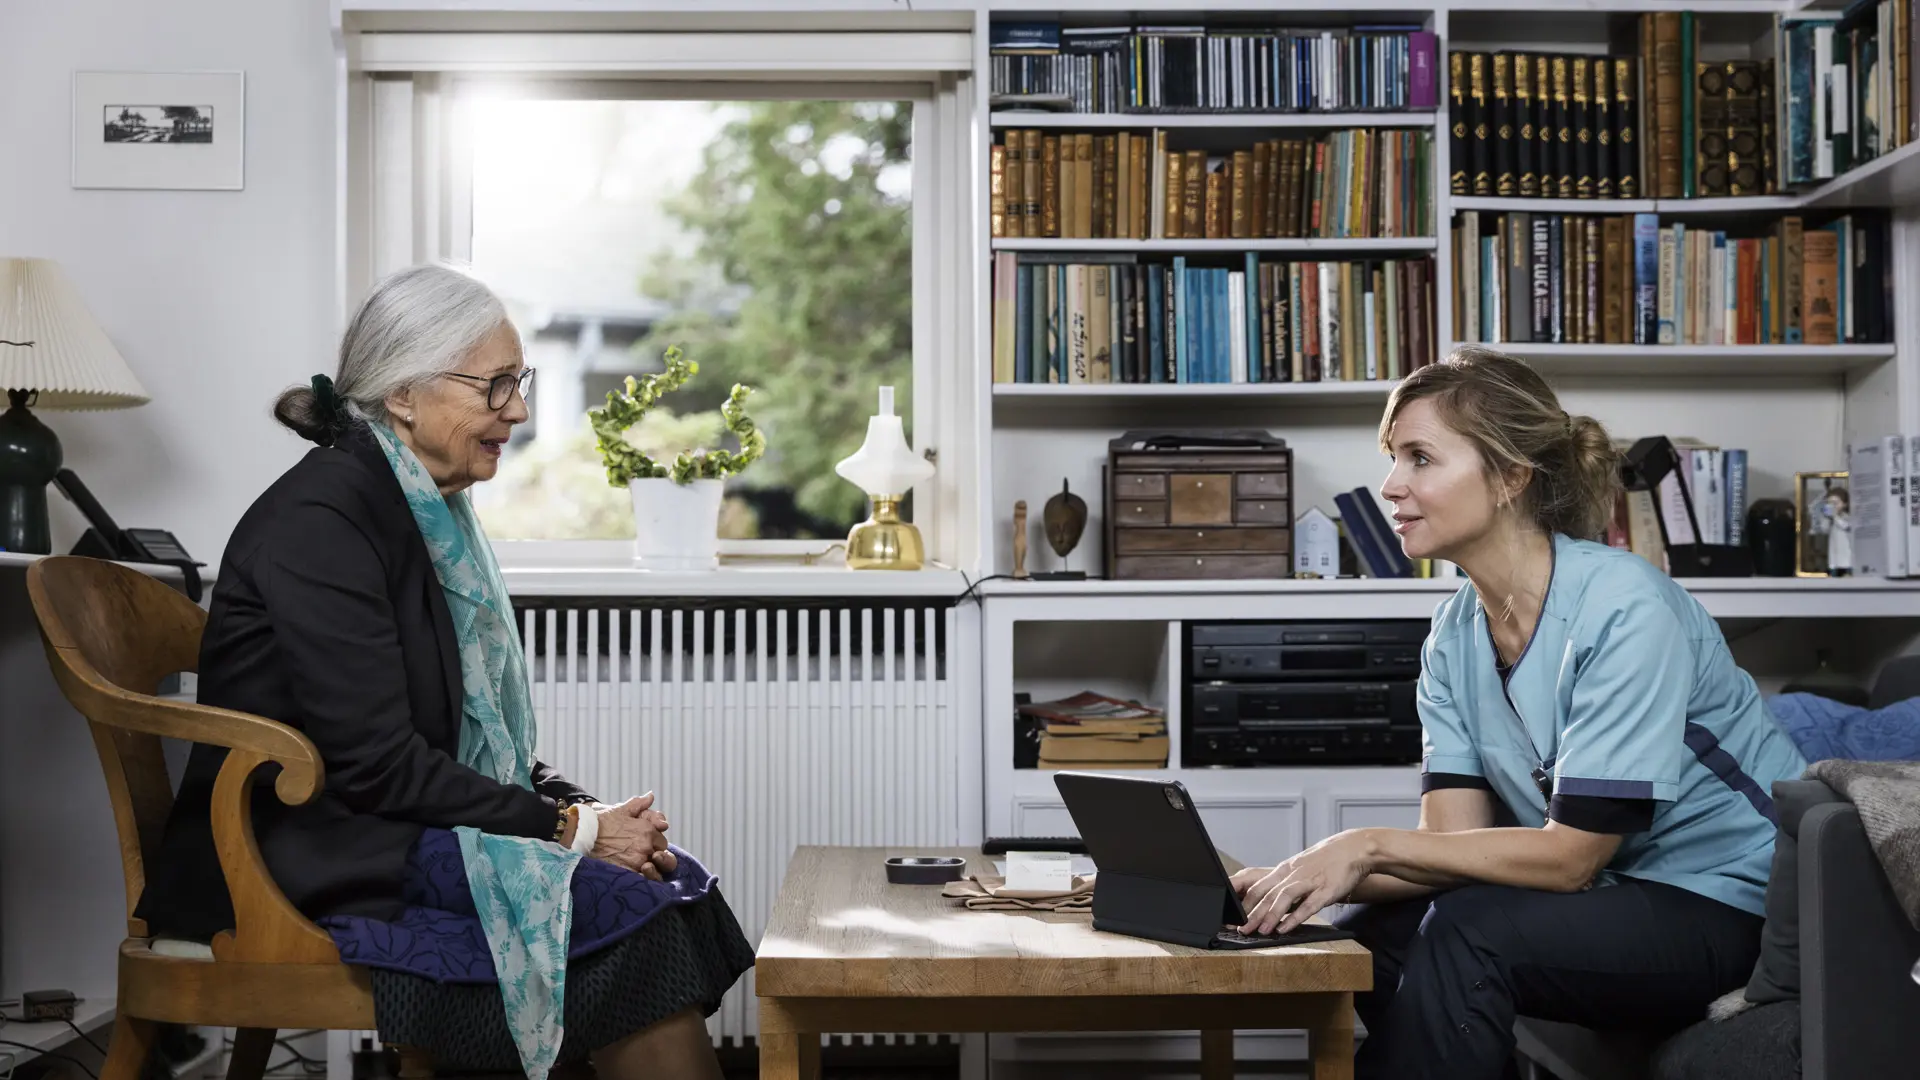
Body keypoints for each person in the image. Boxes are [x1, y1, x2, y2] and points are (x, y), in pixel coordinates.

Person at [135, 265, 752, 1080]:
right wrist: (577, 834)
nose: (519, 411)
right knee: (622, 910)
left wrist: (578, 807)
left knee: (672, 879)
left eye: (519, 382)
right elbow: (379, 761)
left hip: (378, 825)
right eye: (495, 386)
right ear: (402, 395)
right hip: (303, 855)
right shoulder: (324, 519)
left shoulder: (419, 509)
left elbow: (455, 731)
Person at [1229, 346, 1806, 1080]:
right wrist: (1288, 878)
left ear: (1508, 477)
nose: (1390, 485)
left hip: (1734, 904)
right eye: (1392, 458)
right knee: (1371, 937)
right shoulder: (1453, 638)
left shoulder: (1625, 607)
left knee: (1473, 934)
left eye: (1419, 459)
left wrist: (1366, 845)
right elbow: (1452, 847)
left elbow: (1571, 859)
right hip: (1621, 895)